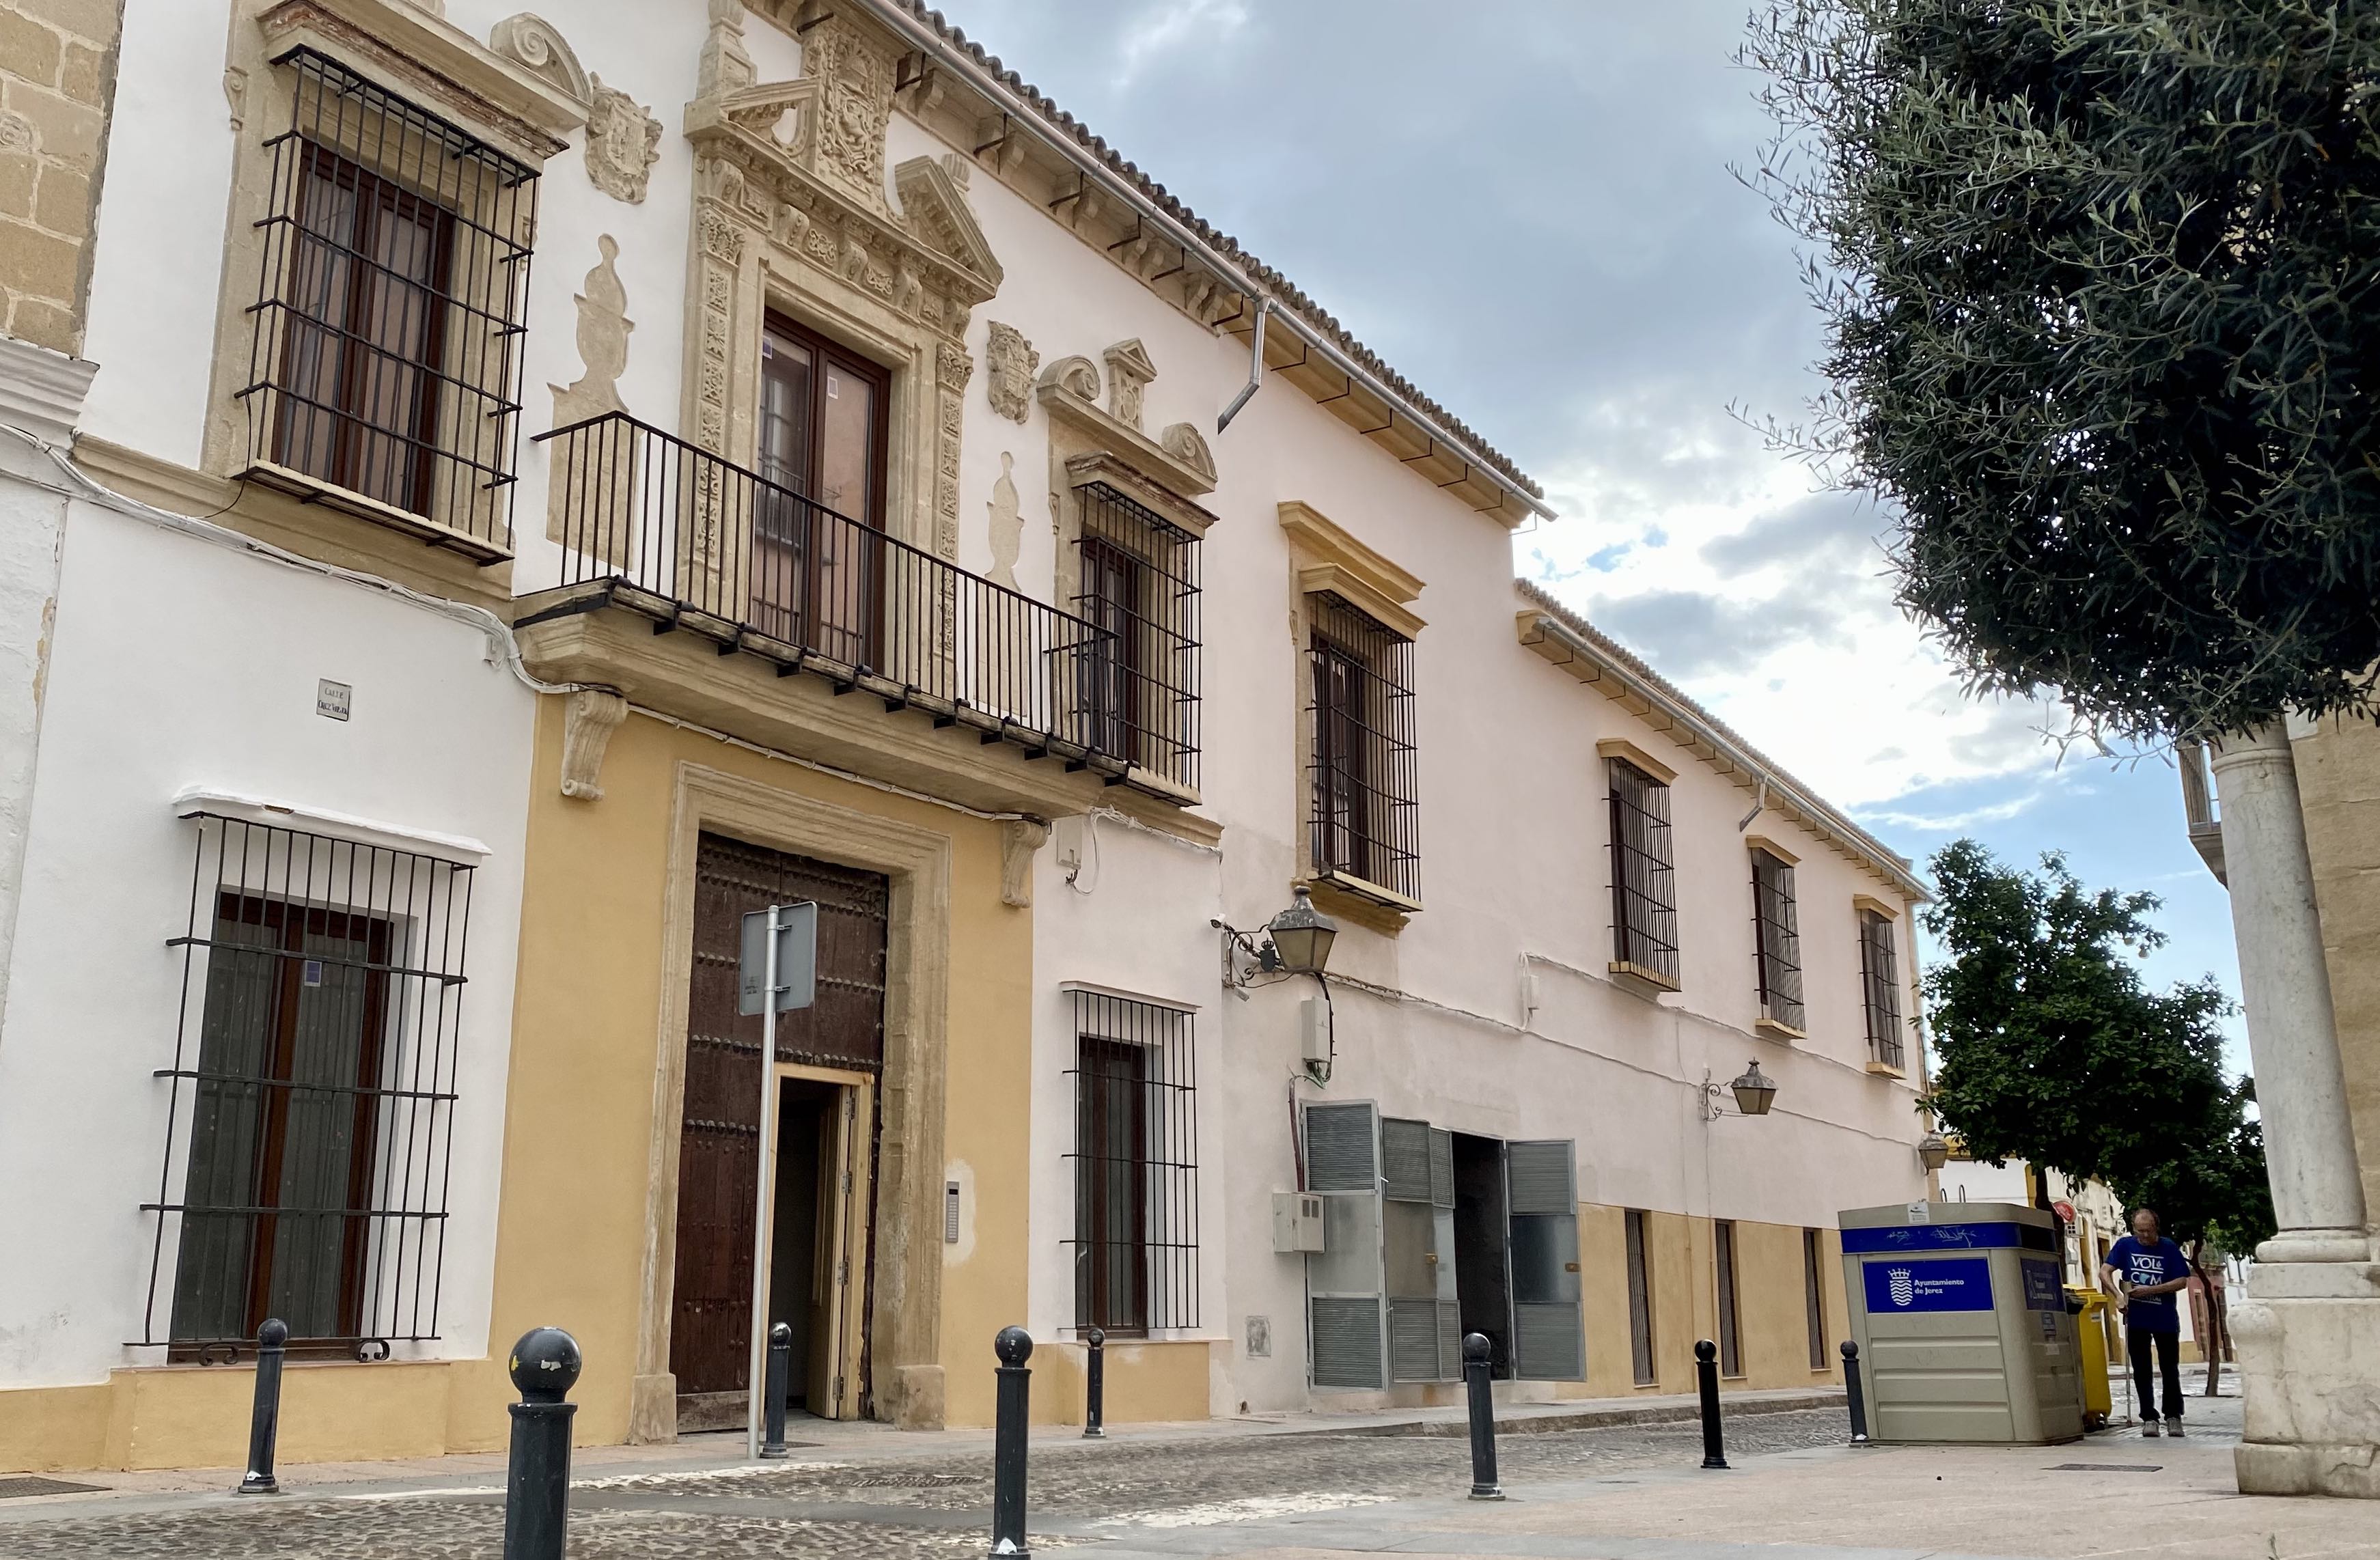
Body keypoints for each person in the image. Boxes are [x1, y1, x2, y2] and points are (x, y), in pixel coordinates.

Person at [2102, 1208, 2191, 1436]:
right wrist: (2118, 1296)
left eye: (2148, 1231)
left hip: (2165, 1318)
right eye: (2140, 1231)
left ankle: (2173, 1416)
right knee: (2141, 1370)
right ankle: (2149, 1418)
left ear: (2156, 1227)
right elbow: (2105, 1272)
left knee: (2170, 1368)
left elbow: (2182, 1280)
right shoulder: (2125, 1246)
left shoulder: (2168, 1247)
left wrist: (2152, 1290)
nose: (2144, 1236)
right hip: (2136, 1318)